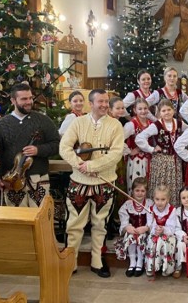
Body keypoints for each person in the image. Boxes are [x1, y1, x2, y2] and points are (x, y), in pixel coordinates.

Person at [59, 88, 124, 277]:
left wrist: (93, 166)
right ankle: (70, 262)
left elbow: (116, 153)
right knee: (74, 224)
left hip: (104, 182)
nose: (104, 105)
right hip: (78, 181)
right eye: (100, 102)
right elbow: (64, 148)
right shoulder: (78, 122)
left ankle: (97, 261)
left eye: (106, 101)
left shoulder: (115, 126)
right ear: (91, 103)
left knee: (100, 224)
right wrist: (80, 164)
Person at [0, 83, 60, 207]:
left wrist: (38, 150)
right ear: (13, 100)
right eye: (24, 99)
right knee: (16, 221)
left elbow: (57, 145)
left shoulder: (44, 121)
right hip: (11, 181)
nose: (29, 102)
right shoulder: (1, 125)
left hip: (38, 179)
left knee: (41, 220)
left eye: (30, 98)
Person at [136, 99, 188, 206]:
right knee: (160, 184)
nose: (167, 113)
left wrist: (183, 146)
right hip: (160, 161)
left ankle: (172, 210)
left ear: (173, 111)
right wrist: (151, 149)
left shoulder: (179, 123)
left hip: (175, 161)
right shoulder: (156, 125)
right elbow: (140, 138)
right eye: (163, 111)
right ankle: (157, 211)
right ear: (160, 113)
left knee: (173, 185)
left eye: (169, 110)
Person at [115, 177, 153, 277]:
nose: (139, 193)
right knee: (131, 235)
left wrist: (146, 228)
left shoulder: (150, 204)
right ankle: (132, 262)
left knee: (140, 236)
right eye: (137, 190)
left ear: (146, 192)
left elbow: (151, 222)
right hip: (132, 231)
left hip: (144, 232)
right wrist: (127, 227)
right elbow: (124, 221)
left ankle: (140, 262)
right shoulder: (127, 205)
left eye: (142, 191)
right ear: (132, 191)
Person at [146, 184, 178, 277]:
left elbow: (172, 228)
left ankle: (166, 268)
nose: (159, 202)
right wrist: (155, 229)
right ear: (153, 198)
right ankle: (151, 267)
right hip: (155, 232)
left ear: (168, 199)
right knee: (153, 240)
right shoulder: (150, 209)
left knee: (165, 241)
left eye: (163, 200)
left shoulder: (172, 210)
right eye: (157, 199)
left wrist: (163, 229)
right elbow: (149, 225)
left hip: (167, 234)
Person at [123, 99, 153, 189]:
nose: (143, 111)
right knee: (137, 186)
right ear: (135, 110)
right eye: (140, 109)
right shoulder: (131, 125)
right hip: (137, 161)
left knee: (148, 186)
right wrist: (129, 151)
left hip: (150, 159)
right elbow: (118, 140)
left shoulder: (151, 124)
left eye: (145, 108)